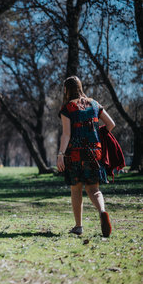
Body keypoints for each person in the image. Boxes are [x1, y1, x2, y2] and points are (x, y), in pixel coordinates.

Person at [57, 76, 114, 237]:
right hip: (94, 151)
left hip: (75, 153)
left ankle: (78, 226)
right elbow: (111, 124)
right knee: (94, 189)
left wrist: (60, 155)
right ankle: (102, 211)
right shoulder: (95, 104)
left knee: (76, 189)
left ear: (66, 90)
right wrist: (96, 133)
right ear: (80, 87)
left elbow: (66, 134)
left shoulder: (68, 108)